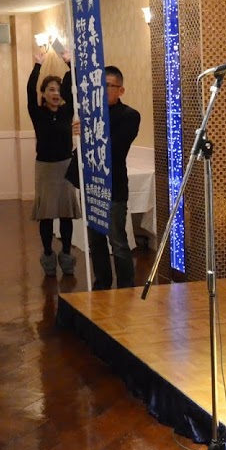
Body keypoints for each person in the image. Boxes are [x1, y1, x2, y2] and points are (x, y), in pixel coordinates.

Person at [27, 48, 81, 276]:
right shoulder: (37, 113)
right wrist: (37, 66)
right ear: (44, 94)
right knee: (47, 215)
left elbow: (74, 85)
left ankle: (66, 254)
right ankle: (48, 254)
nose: (55, 93)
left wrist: (69, 62)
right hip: (45, 168)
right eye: (50, 89)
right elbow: (29, 90)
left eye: (58, 89)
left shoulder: (67, 111)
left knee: (66, 214)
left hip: (65, 166)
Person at [86, 65, 140, 291]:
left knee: (117, 241)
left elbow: (116, 149)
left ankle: (126, 289)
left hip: (114, 186)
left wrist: (92, 130)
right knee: (95, 241)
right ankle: (102, 286)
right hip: (93, 185)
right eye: (100, 85)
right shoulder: (90, 114)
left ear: (120, 90)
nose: (103, 89)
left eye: (108, 85)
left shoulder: (130, 115)